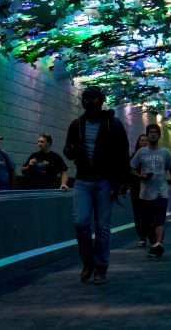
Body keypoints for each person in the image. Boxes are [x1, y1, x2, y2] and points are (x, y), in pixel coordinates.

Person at [63, 86, 129, 284]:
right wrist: (73, 149)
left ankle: (101, 267)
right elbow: (68, 152)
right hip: (83, 180)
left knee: (102, 227)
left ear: (101, 100)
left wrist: (123, 181)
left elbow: (123, 153)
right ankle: (88, 262)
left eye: (94, 98)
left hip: (105, 180)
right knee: (80, 222)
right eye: (87, 98)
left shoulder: (113, 124)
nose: (90, 102)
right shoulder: (76, 125)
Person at [129, 123, 171, 258]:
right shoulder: (141, 152)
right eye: (150, 132)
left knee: (159, 220)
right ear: (147, 134)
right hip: (145, 193)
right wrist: (140, 176)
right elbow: (131, 168)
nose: (152, 134)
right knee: (148, 223)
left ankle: (158, 244)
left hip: (161, 192)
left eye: (155, 132)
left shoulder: (165, 152)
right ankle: (154, 244)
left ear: (159, 135)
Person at [129, 134, 149, 247]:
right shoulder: (134, 156)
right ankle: (142, 237)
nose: (145, 142)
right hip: (136, 188)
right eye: (142, 140)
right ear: (138, 143)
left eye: (146, 140)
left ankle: (150, 236)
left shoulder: (153, 155)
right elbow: (129, 170)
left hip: (150, 188)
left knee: (148, 213)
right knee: (138, 214)